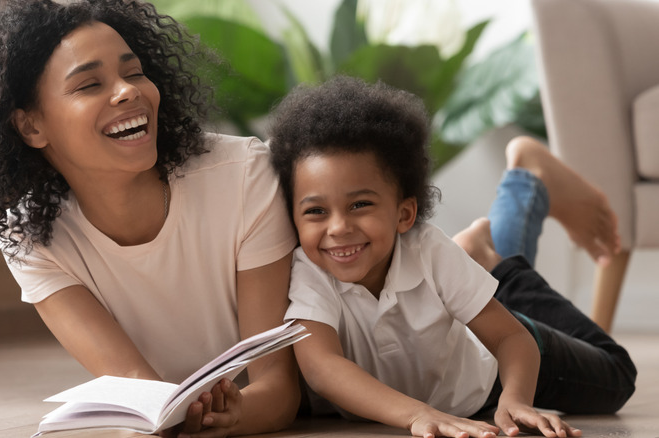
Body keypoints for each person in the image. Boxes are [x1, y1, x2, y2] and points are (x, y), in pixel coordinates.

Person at [0, 1, 300, 436]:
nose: (128, 91)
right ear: (30, 127)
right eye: (89, 84)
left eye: (134, 72)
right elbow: (140, 390)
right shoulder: (30, 237)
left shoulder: (243, 175)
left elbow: (277, 388)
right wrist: (180, 417)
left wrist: (231, 415)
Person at [268, 76, 636, 438]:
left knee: (617, 376)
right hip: (437, 379)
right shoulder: (308, 270)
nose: (338, 227)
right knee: (464, 281)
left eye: (360, 204)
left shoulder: (428, 250)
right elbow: (322, 367)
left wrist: (515, 397)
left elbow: (510, 338)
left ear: (404, 214)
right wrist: (419, 414)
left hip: (485, 378)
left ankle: (514, 213)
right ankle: (478, 255)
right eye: (316, 211)